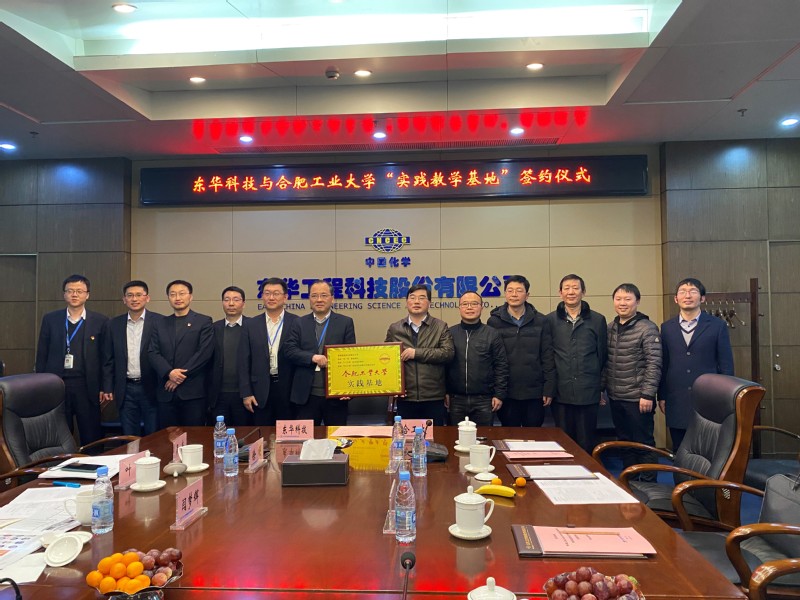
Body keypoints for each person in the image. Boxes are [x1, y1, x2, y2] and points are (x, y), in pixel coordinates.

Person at [658, 277, 734, 451]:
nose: (687, 296)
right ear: (676, 299)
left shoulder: (717, 326)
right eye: (682, 292)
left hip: (708, 397)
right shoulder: (667, 327)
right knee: (679, 449)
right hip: (676, 397)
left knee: (707, 449)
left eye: (693, 291)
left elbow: (726, 364)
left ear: (702, 298)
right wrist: (662, 395)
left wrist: (725, 396)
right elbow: (664, 363)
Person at [36, 274, 108, 444]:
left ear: (87, 295)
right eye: (70, 291)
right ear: (64, 294)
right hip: (57, 385)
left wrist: (105, 387)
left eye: (79, 291)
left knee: (91, 433)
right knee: (60, 433)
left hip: (87, 385)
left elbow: (106, 358)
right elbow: (42, 354)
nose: (74, 294)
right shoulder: (51, 319)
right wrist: (40, 384)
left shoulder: (101, 321)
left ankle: (93, 460)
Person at [604, 283, 662, 480]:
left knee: (643, 443)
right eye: (618, 299)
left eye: (627, 299)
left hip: (638, 398)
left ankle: (649, 485)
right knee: (624, 442)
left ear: (637, 301)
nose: (623, 303)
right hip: (615, 396)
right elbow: (605, 362)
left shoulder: (647, 328)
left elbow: (654, 363)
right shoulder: (610, 328)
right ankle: (629, 482)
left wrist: (648, 394)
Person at [546, 274, 608, 454]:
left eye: (575, 288)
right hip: (561, 391)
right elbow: (548, 356)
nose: (571, 292)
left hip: (588, 391)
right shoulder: (550, 320)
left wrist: (600, 387)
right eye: (566, 288)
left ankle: (587, 470)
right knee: (563, 440)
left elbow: (603, 356)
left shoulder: (597, 320)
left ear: (583, 292)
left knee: (586, 440)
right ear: (560, 293)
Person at [284, 280, 356, 425]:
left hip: (336, 394)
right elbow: (290, 350)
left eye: (324, 295)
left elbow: (351, 356)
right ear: (309, 299)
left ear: (332, 299)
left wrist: (348, 389)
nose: (319, 300)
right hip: (306, 395)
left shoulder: (345, 322)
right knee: (307, 436)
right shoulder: (299, 323)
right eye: (314, 296)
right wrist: (312, 357)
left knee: (336, 436)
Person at [487, 275, 555, 427]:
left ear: (527, 295)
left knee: (534, 435)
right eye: (510, 290)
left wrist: (549, 389)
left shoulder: (541, 321)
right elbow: (491, 359)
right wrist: (496, 391)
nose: (514, 294)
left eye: (519, 290)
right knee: (509, 435)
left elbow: (547, 356)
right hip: (507, 392)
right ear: (505, 294)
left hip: (535, 392)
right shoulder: (494, 321)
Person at [385, 284, 454, 426]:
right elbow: (387, 360)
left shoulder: (440, 326)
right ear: (406, 302)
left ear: (429, 303)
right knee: (407, 437)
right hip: (406, 397)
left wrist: (416, 353)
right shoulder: (395, 328)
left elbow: (447, 353)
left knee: (434, 437)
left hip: (433, 396)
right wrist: (393, 387)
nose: (416, 301)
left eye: (422, 298)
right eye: (412, 298)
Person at [101, 280, 164, 436]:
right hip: (125, 388)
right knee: (129, 435)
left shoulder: (160, 322)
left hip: (152, 386)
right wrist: (108, 386)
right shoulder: (113, 324)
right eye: (130, 295)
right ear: (124, 299)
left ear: (147, 298)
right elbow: (108, 359)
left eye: (138, 295)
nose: (134, 299)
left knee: (154, 434)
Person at [148, 280, 214, 428]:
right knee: (167, 437)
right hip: (166, 393)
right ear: (168, 298)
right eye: (173, 294)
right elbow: (153, 352)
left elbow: (204, 353)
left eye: (182, 293)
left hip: (193, 393)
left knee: (194, 436)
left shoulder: (203, 321)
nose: (177, 298)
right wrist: (169, 372)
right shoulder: (160, 323)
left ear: (191, 296)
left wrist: (178, 377)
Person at [239, 278, 299, 425]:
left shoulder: (298, 322)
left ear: (285, 297)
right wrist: (246, 393)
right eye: (267, 293)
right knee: (262, 433)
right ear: (262, 296)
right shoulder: (250, 325)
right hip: (259, 390)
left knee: (288, 433)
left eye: (276, 293)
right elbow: (243, 361)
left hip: (289, 389)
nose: (271, 297)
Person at [445, 291, 508, 426]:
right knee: (455, 436)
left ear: (481, 307)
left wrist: (499, 394)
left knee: (483, 437)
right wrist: (444, 392)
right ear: (459, 308)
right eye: (465, 304)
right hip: (456, 399)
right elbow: (443, 366)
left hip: (484, 399)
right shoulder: (449, 333)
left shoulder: (492, 334)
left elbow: (501, 366)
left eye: (474, 304)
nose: (469, 307)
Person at [209, 286, 249, 425]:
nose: (231, 303)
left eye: (236, 299)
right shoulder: (213, 328)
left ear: (243, 303)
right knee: (220, 434)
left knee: (245, 434)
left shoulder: (253, 326)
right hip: (218, 394)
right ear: (222, 303)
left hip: (245, 394)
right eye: (227, 300)